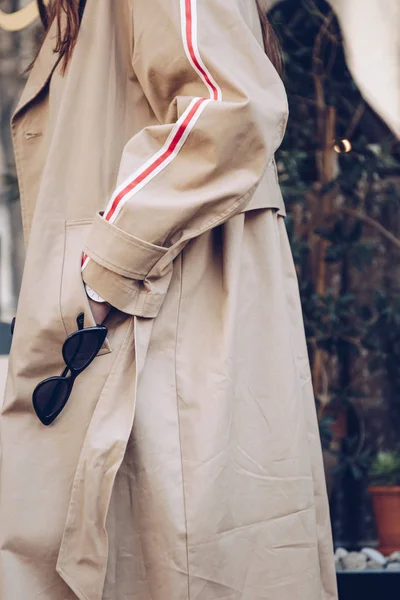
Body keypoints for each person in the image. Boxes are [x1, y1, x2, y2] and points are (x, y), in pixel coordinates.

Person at [0, 0, 338, 598]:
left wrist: (106, 269)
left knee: (170, 560)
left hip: (158, 323)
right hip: (141, 321)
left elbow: (230, 106)